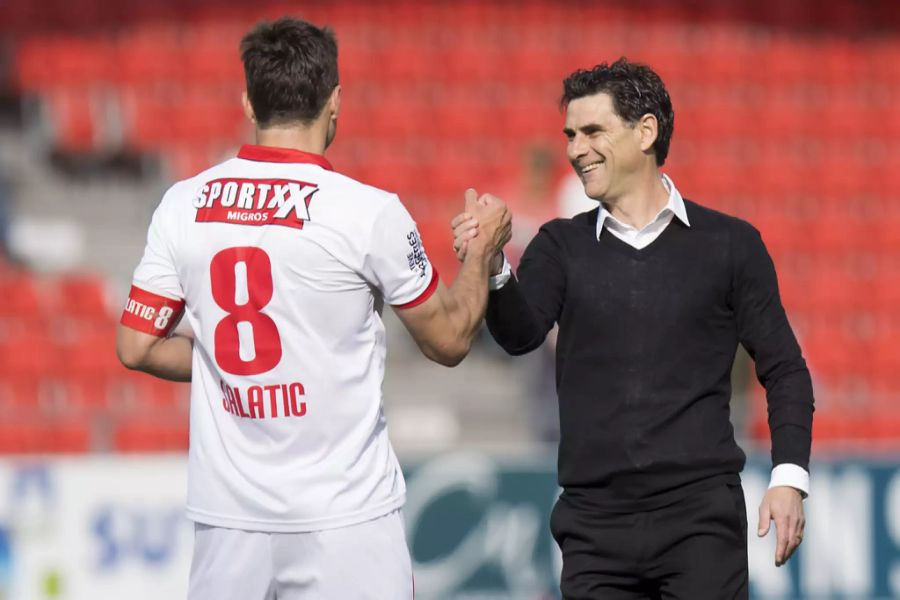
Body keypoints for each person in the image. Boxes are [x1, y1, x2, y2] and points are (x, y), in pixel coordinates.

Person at [115, 17, 510, 600]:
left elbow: (137, 345)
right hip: (346, 518)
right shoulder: (366, 211)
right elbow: (449, 340)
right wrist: (482, 253)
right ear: (335, 101)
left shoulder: (183, 202)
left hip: (229, 519)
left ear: (248, 101)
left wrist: (234, 363)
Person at [452, 58, 813, 599]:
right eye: (571, 134)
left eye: (594, 131)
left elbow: (785, 370)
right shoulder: (559, 244)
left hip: (701, 523)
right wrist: (494, 264)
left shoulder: (730, 245)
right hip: (593, 527)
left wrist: (789, 479)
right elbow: (520, 334)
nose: (575, 149)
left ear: (646, 131)